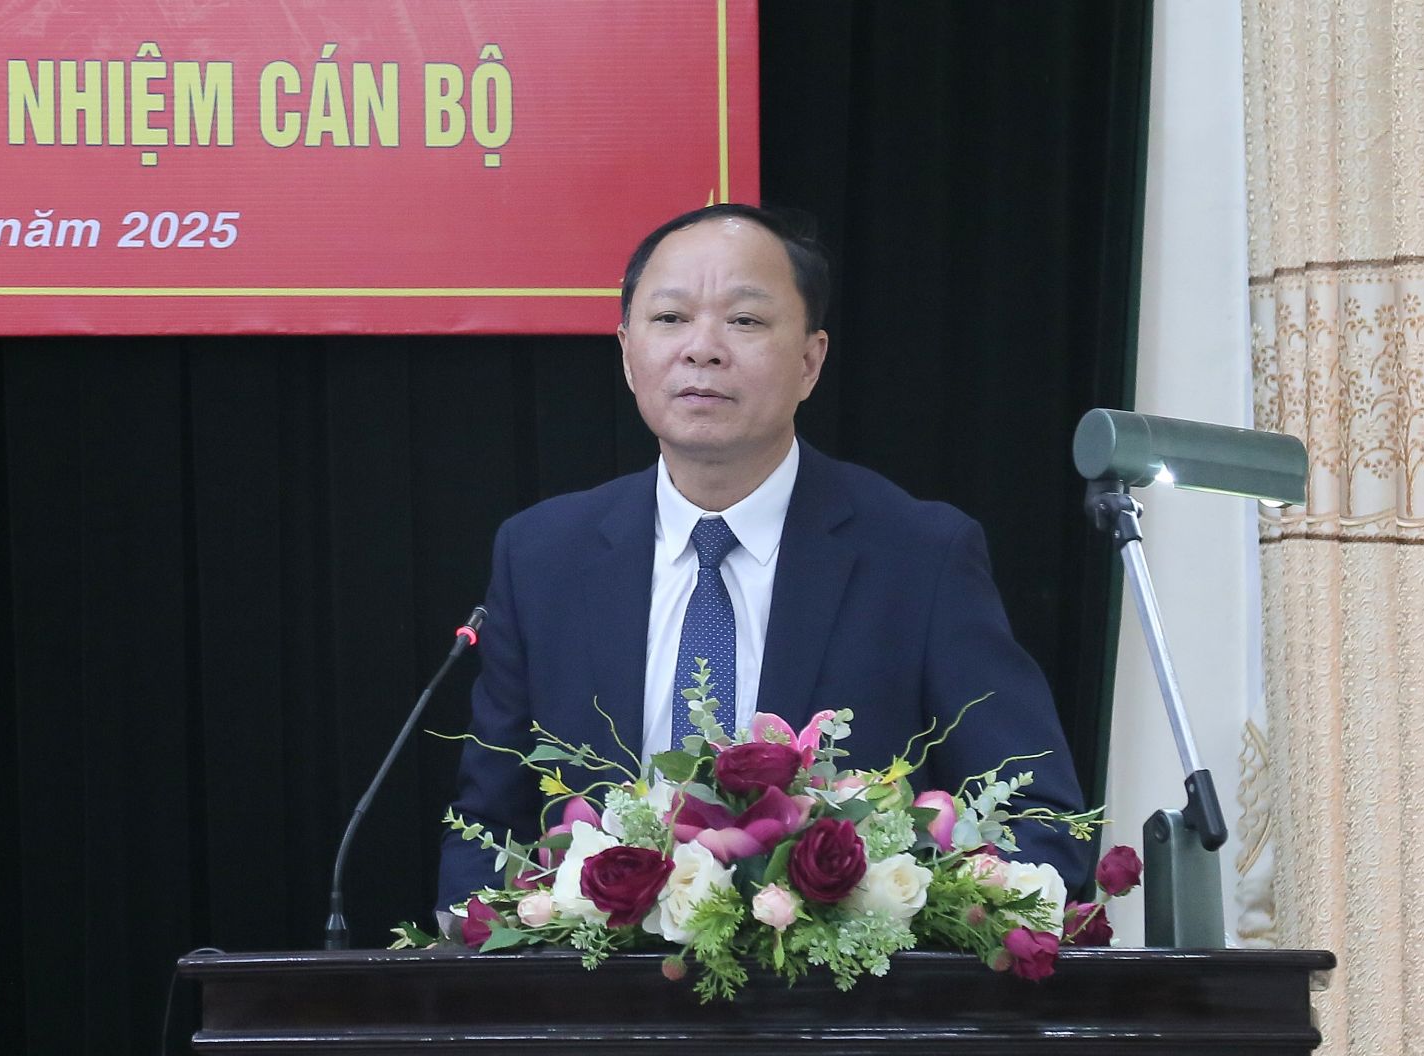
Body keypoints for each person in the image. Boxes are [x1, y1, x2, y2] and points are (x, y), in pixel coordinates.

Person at [436, 204, 1087, 911]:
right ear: (627, 354)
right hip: (597, 979)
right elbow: (486, 827)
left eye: (744, 321)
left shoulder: (919, 557)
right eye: (670, 318)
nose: (702, 349)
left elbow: (1036, 814)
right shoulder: (542, 556)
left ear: (810, 361)